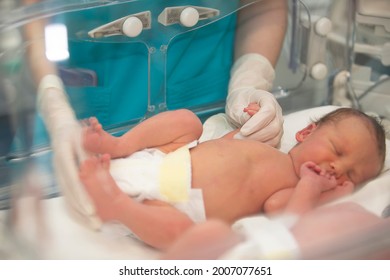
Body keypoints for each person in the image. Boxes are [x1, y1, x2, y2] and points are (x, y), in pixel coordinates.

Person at [78, 107, 386, 250]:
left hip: (169, 203)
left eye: (350, 176)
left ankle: (117, 206)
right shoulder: (268, 147)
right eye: (337, 150)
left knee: (181, 234)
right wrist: (248, 124)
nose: (336, 168)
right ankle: (121, 145)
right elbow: (222, 143)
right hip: (164, 157)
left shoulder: (289, 188)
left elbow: (288, 219)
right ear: (306, 133)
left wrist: (317, 189)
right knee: (187, 121)